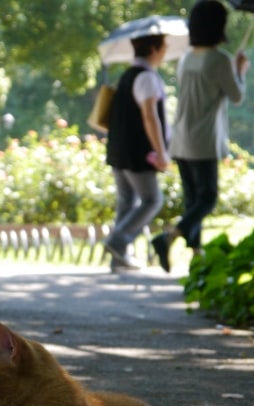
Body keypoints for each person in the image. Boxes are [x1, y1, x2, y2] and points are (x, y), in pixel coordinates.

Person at [151, 0, 251, 272]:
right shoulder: (219, 59)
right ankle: (169, 238)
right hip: (203, 140)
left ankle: (197, 256)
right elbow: (236, 96)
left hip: (181, 137)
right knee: (207, 199)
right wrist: (240, 71)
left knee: (193, 201)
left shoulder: (186, 58)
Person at [104, 33, 171, 271]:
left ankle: (119, 258)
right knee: (152, 200)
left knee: (127, 203)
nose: (166, 51)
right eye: (163, 46)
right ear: (153, 49)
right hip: (137, 153)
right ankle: (118, 241)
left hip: (119, 149)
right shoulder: (147, 78)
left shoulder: (128, 75)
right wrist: (161, 152)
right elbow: (150, 116)